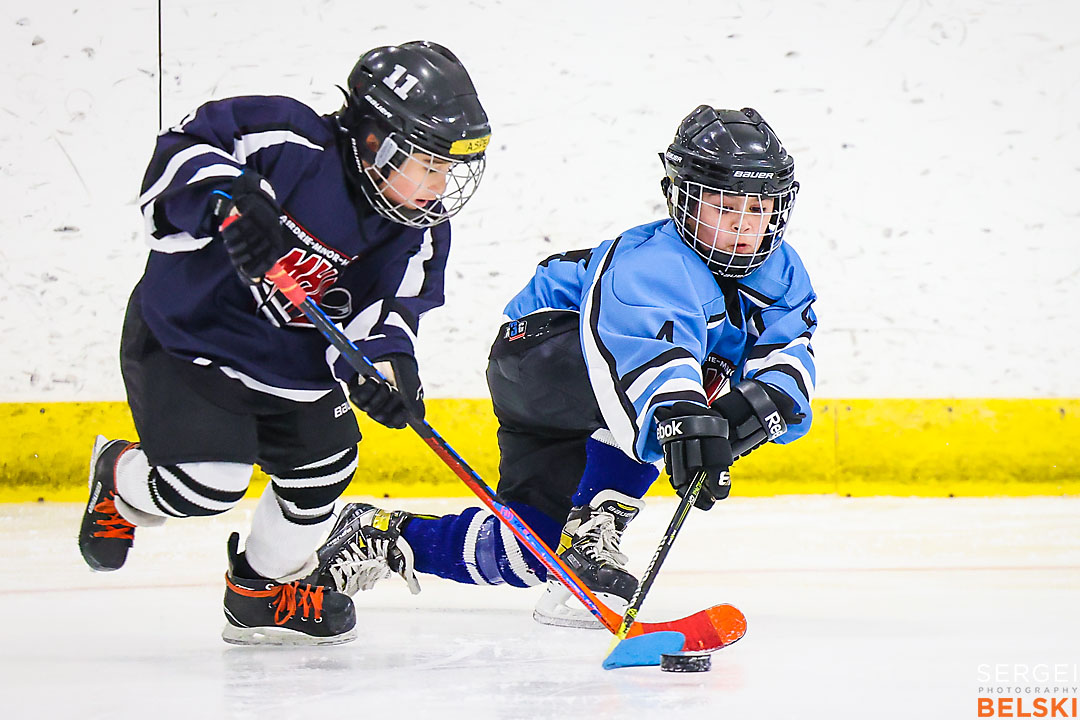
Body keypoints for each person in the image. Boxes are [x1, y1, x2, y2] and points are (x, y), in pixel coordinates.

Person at [314, 105, 817, 628]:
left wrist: (751, 416)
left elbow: (788, 357)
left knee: (528, 548)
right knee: (673, 396)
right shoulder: (653, 260)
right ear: (683, 198)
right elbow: (647, 357)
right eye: (724, 205)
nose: (743, 224)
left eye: (759, 207)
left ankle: (382, 535)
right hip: (540, 354)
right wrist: (688, 422)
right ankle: (594, 533)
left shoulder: (782, 271)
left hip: (588, 396)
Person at [77, 41, 491, 645]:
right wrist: (232, 199)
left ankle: (259, 593)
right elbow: (183, 151)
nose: (441, 184)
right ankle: (119, 477)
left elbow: (388, 313)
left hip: (292, 367)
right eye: (429, 164)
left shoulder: (415, 231)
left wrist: (384, 373)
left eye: (448, 169)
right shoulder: (286, 138)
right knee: (205, 485)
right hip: (193, 339)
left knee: (323, 473)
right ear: (376, 141)